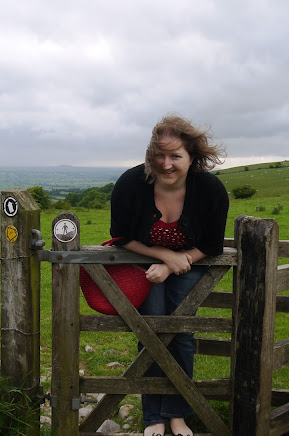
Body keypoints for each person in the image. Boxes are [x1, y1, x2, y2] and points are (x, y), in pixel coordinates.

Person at [110, 114, 229, 436]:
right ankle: (154, 418)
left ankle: (178, 414)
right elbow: (120, 235)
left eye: (176, 155)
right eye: (159, 155)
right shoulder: (132, 184)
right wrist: (163, 256)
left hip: (191, 264)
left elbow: (212, 245)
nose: (167, 164)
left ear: (192, 157)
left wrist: (178, 261)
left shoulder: (210, 190)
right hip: (142, 263)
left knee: (182, 334)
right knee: (150, 332)